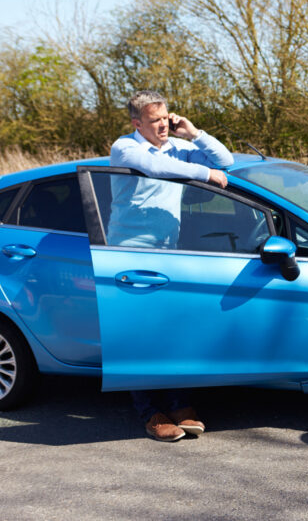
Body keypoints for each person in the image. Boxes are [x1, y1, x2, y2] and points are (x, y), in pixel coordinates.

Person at [110, 90, 234, 442]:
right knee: (140, 336)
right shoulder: (126, 148)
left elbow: (226, 161)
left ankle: (179, 404)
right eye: (154, 121)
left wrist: (194, 135)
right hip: (130, 255)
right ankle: (151, 413)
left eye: (165, 118)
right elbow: (155, 167)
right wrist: (205, 174)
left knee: (171, 330)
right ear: (137, 123)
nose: (163, 125)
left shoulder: (177, 148)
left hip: (168, 253)